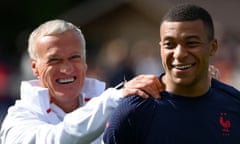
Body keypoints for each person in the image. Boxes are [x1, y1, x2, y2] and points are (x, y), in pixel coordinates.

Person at [0, 19, 163, 144]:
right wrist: (114, 99)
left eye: (74, 57)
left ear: (85, 62)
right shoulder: (17, 120)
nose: (66, 69)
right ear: (35, 67)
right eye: (54, 60)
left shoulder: (115, 105)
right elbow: (56, 138)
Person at [103, 3, 240, 144]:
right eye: (169, 44)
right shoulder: (133, 111)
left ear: (213, 47)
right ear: (161, 47)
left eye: (191, 43)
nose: (179, 54)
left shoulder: (234, 104)